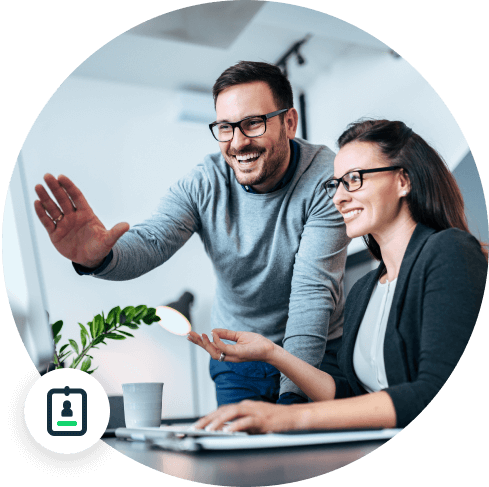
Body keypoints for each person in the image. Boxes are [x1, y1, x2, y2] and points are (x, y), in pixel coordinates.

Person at [33, 61, 350, 407]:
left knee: (312, 455)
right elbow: (153, 240)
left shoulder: (327, 180)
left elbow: (312, 295)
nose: (238, 142)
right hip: (236, 356)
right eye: (226, 127)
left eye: (253, 123)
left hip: (314, 353)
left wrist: (293, 405)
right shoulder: (205, 183)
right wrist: (99, 257)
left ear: (289, 122)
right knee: (240, 460)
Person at [188, 119, 488, 433]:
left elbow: (434, 390)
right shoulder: (362, 291)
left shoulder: (449, 252)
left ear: (404, 181)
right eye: (336, 183)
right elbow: (354, 398)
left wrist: (287, 418)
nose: (338, 198)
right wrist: (271, 353)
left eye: (354, 179)